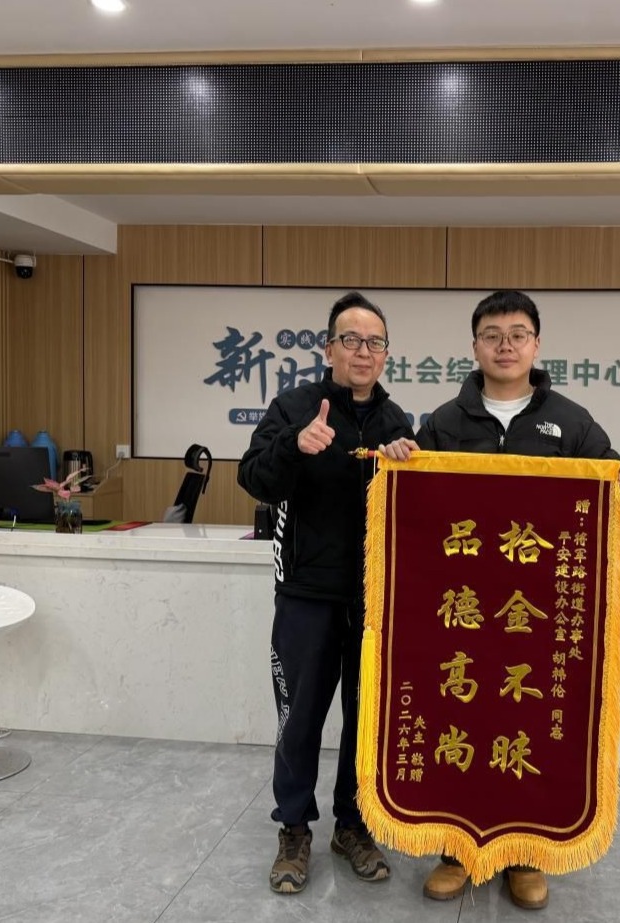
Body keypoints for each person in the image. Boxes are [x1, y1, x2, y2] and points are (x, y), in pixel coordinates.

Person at [379, 289, 620, 911]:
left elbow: (609, 499)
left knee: (527, 728)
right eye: (493, 335)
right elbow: (414, 504)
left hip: (536, 614)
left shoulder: (572, 423)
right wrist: (398, 460)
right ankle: (456, 850)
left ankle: (525, 856)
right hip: (463, 612)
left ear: (536, 345)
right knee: (461, 720)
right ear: (474, 346)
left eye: (518, 334)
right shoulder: (444, 422)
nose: (505, 345)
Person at [238, 291, 415, 895]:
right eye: (351, 340)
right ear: (329, 347)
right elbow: (253, 478)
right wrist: (295, 445)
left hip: (374, 600)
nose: (363, 351)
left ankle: (353, 825)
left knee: (367, 721)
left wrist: (405, 466)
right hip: (306, 594)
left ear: (385, 354)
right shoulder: (294, 407)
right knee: (300, 719)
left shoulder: (397, 422)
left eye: (375, 342)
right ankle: (293, 828)